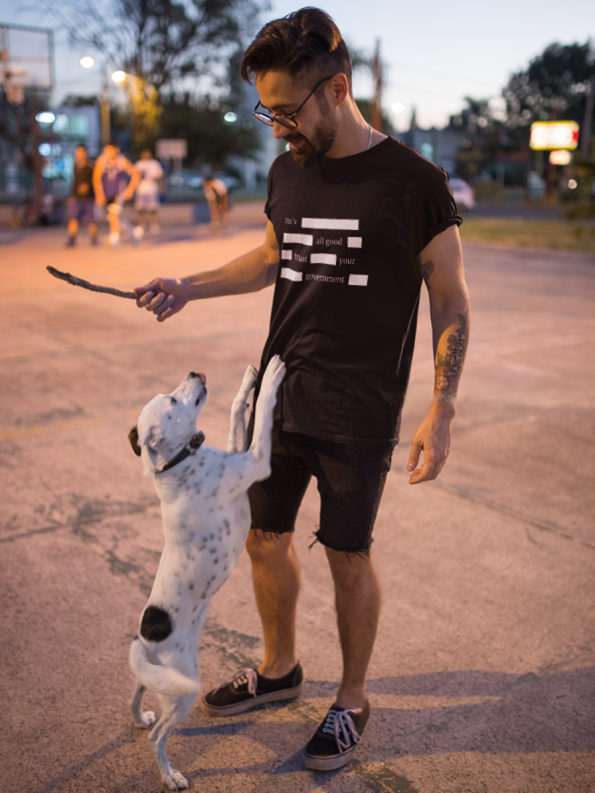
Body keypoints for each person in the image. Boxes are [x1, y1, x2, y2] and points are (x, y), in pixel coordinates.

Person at [135, 7, 470, 772]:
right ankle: (280, 668)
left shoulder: (414, 182)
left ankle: (351, 698)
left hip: (360, 408)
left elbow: (449, 299)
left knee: (347, 555)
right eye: (267, 109)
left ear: (337, 89)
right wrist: (186, 285)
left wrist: (440, 407)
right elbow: (267, 258)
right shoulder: (289, 170)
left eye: (286, 110)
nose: (275, 127)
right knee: (263, 537)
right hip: (277, 399)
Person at [92, 141, 142, 247]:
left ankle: (114, 239)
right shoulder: (102, 160)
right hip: (107, 193)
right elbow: (96, 178)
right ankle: (135, 232)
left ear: (116, 150)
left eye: (111, 150)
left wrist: (130, 190)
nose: (109, 152)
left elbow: (136, 174)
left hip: (119, 193)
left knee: (113, 214)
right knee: (114, 217)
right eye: (107, 150)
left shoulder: (122, 161)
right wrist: (99, 194)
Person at [65, 145, 97, 247]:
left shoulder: (91, 166)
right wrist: (72, 196)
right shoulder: (75, 166)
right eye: (77, 153)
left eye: (81, 152)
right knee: (73, 219)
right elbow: (74, 182)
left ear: (85, 153)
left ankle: (94, 239)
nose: (79, 155)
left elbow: (96, 181)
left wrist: (88, 186)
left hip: (89, 198)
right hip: (77, 198)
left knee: (91, 220)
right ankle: (71, 239)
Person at [134, 148, 164, 233]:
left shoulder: (155, 163)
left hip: (151, 189)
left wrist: (152, 177)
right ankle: (141, 225)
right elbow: (134, 174)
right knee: (141, 209)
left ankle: (154, 225)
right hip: (141, 190)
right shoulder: (138, 164)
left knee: (153, 208)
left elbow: (159, 174)